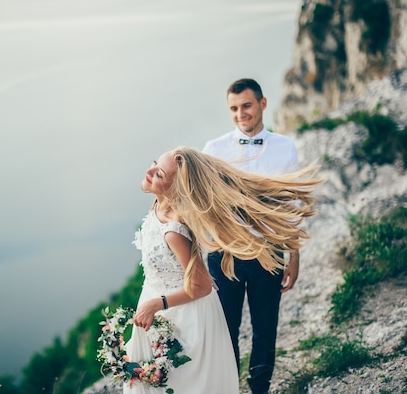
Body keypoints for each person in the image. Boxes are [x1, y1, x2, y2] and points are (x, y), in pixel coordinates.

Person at [124, 146, 319, 394]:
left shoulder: (173, 231)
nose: (149, 171)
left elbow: (203, 286)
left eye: (159, 173)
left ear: (176, 189)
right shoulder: (158, 205)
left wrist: (156, 304)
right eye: (154, 163)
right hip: (160, 306)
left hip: (182, 313)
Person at [202, 77, 302, 394]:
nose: (240, 113)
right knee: (224, 331)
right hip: (225, 254)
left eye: (246, 105)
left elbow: (293, 205)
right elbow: (204, 205)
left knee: (264, 329)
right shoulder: (213, 150)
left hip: (269, 252)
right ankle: (227, 388)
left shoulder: (286, 147)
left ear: (262, 103)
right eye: (234, 108)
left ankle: (260, 390)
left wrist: (294, 254)